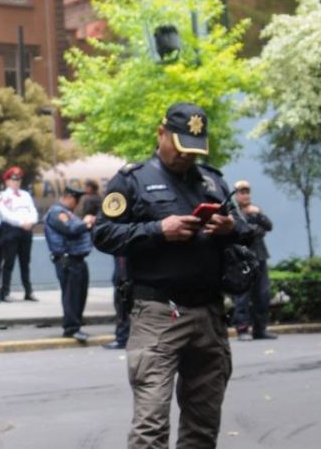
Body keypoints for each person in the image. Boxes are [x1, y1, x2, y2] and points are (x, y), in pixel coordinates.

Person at [93, 102, 249, 449]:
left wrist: (229, 227)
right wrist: (158, 230)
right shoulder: (132, 180)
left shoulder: (213, 180)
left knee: (203, 426)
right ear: (161, 134)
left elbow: (246, 229)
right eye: (179, 148)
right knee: (150, 427)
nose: (185, 157)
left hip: (209, 314)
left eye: (193, 151)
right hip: (158, 313)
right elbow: (103, 235)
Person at [81, 178, 129, 349]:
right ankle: (123, 336)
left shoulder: (121, 206)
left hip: (125, 259)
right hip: (124, 256)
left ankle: (123, 337)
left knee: (123, 294)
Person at [44, 185, 92, 342]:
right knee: (72, 295)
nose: (77, 203)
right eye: (76, 199)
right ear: (68, 197)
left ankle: (76, 325)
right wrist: (86, 223)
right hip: (68, 260)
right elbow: (70, 229)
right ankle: (71, 328)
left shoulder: (67, 213)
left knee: (79, 294)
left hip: (77, 259)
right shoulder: (57, 212)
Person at [231, 180, 276, 341]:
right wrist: (255, 230)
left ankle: (260, 329)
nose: (245, 195)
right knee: (243, 296)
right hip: (243, 259)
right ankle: (242, 329)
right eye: (241, 192)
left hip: (260, 256)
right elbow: (242, 232)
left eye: (247, 192)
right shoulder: (234, 212)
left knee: (263, 294)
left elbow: (268, 227)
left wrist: (258, 215)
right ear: (235, 195)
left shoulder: (255, 211)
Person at [0, 165, 38, 302]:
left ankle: (28, 291)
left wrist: (31, 222)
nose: (16, 182)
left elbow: (33, 211)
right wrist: (21, 223)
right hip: (12, 231)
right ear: (7, 181)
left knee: (25, 263)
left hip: (26, 231)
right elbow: (5, 214)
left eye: (18, 179)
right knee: (9, 263)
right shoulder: (3, 196)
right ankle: (5, 292)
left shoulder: (25, 195)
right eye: (13, 179)